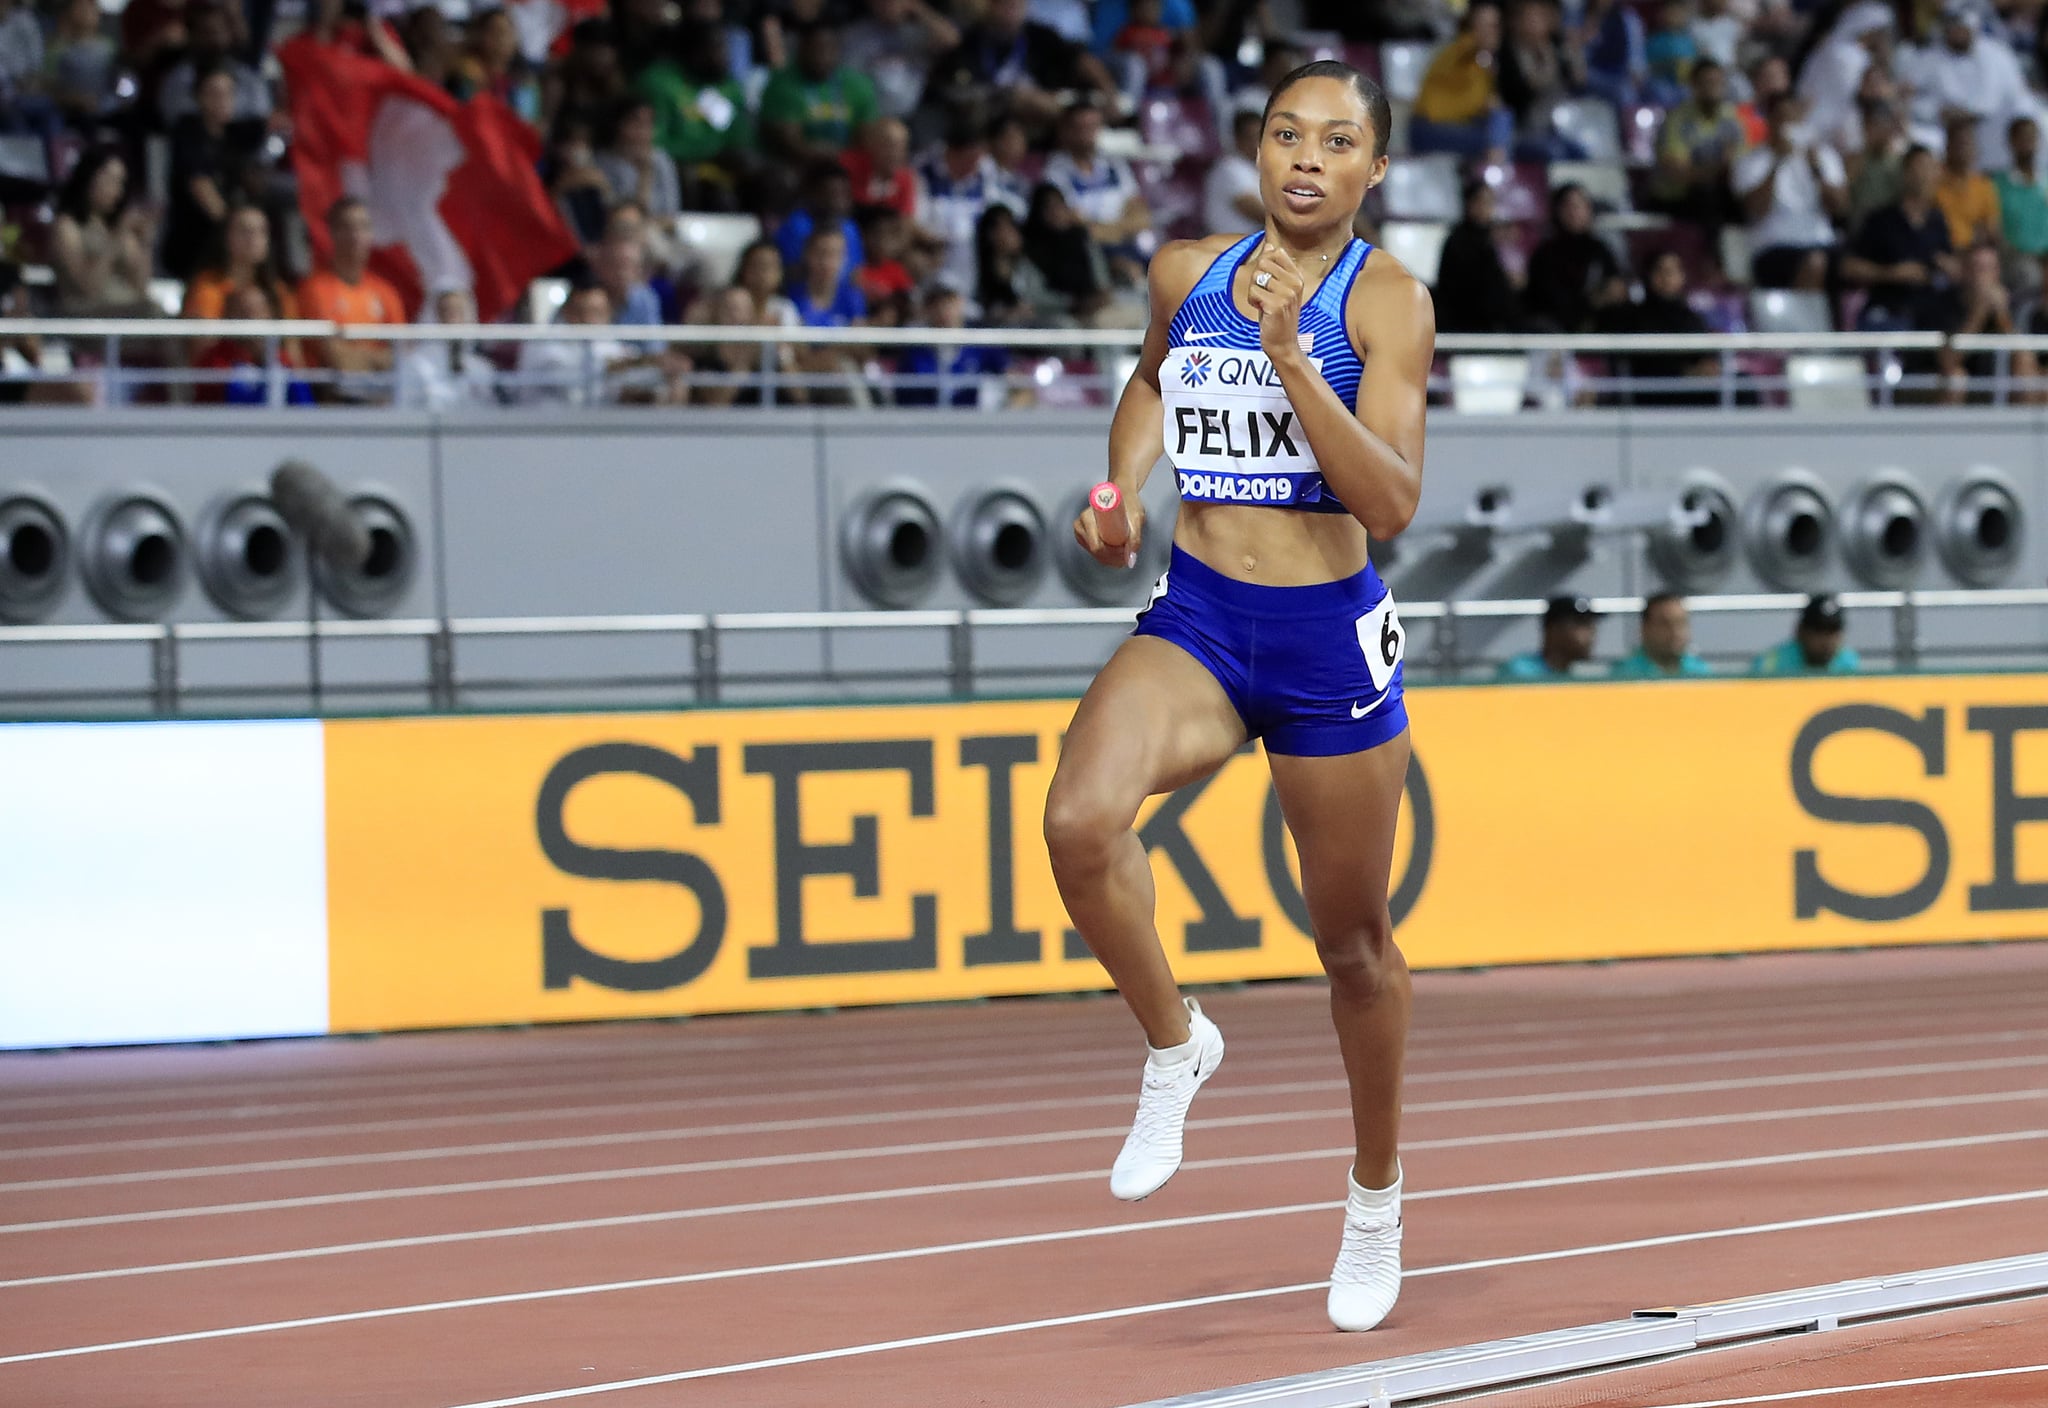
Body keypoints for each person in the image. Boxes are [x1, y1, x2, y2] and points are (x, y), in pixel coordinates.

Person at [1042, 59, 1431, 1335]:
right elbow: (1152, 381)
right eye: (1281, 134)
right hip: (1202, 617)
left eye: (1334, 142)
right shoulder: (1183, 272)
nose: (1302, 158)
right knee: (1078, 822)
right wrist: (1118, 492)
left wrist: (1288, 358)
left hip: (1323, 641)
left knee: (1353, 949)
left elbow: (1388, 502)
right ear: (1254, 152)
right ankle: (1174, 1043)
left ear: (1372, 170)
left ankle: (1372, 1201)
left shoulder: (1386, 304)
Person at [1733, 90, 1848, 291]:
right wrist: (1777, 162)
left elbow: (1840, 208)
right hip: (1775, 245)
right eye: (1782, 117)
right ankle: (1807, 322)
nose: (1788, 124)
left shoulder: (1823, 157)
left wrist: (1816, 171)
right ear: (1769, 120)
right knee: (1815, 262)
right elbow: (1755, 209)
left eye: (1793, 116)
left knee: (1853, 264)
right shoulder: (1750, 161)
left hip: (1821, 240)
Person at [296, 196, 409, 397]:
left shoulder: (385, 291)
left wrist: (357, 357)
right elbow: (334, 357)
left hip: (383, 399)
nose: (356, 235)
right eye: (347, 227)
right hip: (332, 400)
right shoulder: (315, 289)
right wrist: (377, 360)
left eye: (363, 227)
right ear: (332, 233)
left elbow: (401, 355)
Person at [1432, 178, 1521, 334]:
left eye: (1489, 203)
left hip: (1497, 324)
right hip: (1466, 323)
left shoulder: (1493, 241)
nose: (1484, 208)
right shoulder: (1458, 241)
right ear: (1468, 204)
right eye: (1480, 201)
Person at [1751, 593, 1860, 673]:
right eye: (1818, 630)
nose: (1826, 640)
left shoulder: (1849, 664)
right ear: (1801, 631)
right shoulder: (1771, 665)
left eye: (1832, 631)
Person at [1610, 592, 1711, 677]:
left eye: (1681, 623)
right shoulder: (1623, 675)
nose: (1675, 631)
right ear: (1644, 629)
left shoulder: (1700, 671)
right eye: (1665, 623)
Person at [1497, 596, 1598, 679]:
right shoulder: (1520, 671)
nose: (1590, 633)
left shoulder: (1571, 676)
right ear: (1553, 629)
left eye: (1591, 625)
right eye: (1581, 623)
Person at [1204, 107, 1264, 235]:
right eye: (1251, 138)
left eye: (1259, 137)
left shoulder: (1258, 167)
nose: (1256, 144)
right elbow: (1258, 212)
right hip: (1229, 248)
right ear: (1237, 138)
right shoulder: (1229, 168)